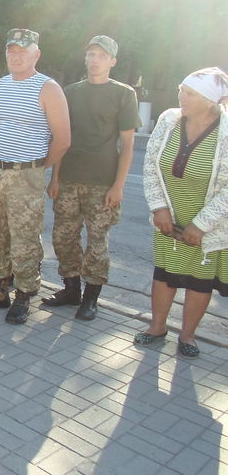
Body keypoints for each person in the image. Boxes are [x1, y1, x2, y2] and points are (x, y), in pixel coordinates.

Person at [0, 29, 70, 324]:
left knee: (24, 238)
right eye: (12, 51)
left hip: (26, 174)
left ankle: (24, 296)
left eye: (23, 51)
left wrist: (37, 167)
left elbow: (63, 140)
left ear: (36, 55)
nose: (16, 56)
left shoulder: (48, 88)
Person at [44, 36, 140, 320]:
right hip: (69, 179)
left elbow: (127, 145)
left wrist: (119, 185)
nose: (94, 60)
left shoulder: (123, 94)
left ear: (112, 61)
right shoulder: (71, 92)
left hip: (102, 183)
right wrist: (55, 178)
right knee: (63, 238)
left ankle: (91, 298)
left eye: (101, 55)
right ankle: (71, 289)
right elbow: (60, 137)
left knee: (97, 243)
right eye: (90, 54)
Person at [136, 67, 228, 358]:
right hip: (169, 218)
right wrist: (159, 208)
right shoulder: (168, 120)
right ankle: (157, 327)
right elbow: (150, 165)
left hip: (209, 224)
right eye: (181, 90)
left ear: (210, 100)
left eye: (190, 93)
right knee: (164, 274)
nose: (181, 97)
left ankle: (187, 336)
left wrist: (201, 225)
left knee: (199, 282)